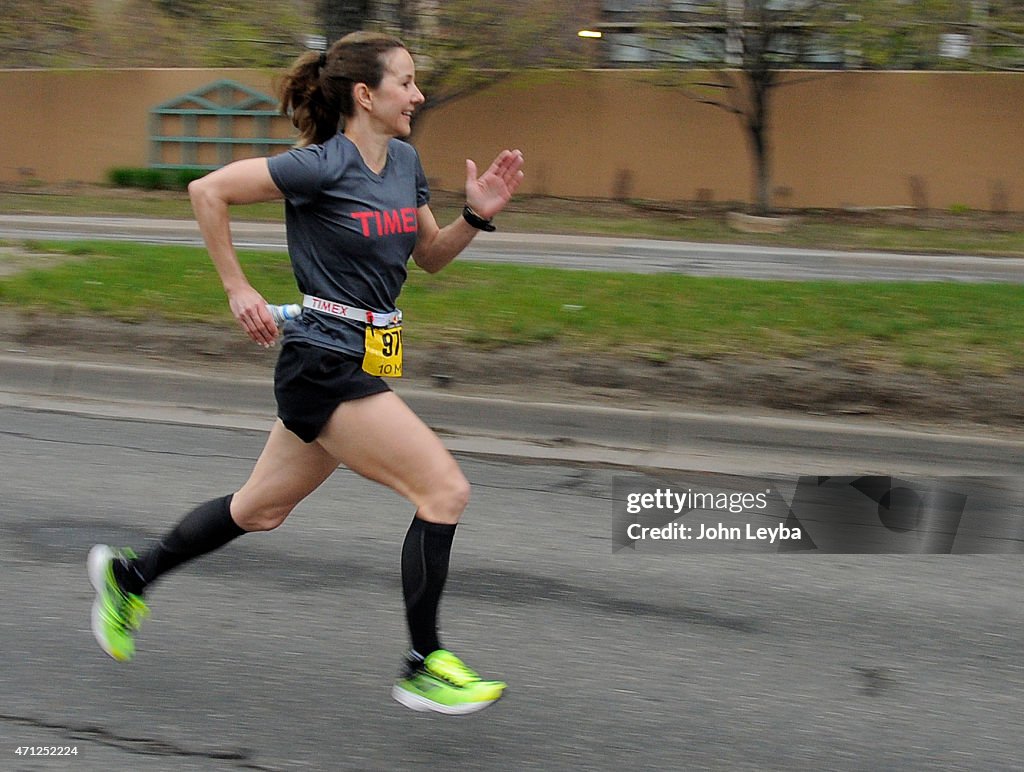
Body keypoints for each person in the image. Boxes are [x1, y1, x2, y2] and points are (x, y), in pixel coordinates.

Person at [87, 30, 524, 716]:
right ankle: (423, 664)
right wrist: (238, 288)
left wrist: (475, 216)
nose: (418, 94)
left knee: (259, 510)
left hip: (359, 356)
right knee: (444, 489)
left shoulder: (405, 161)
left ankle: (129, 578)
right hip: (323, 365)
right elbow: (208, 191)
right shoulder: (318, 164)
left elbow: (430, 256)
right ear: (365, 95)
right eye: (405, 82)